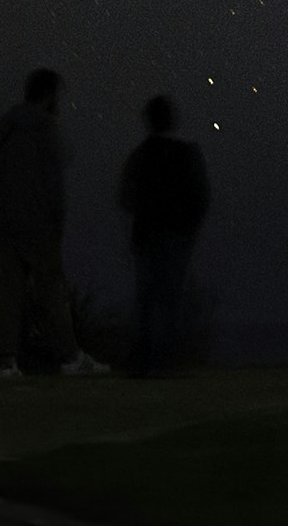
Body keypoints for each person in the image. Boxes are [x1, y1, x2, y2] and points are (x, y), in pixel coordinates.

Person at [0, 67, 84, 374]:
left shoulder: (4, 128)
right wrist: (58, 221)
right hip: (38, 222)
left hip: (6, 223)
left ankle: (6, 360)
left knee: (10, 292)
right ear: (49, 94)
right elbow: (53, 181)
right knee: (52, 290)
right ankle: (69, 357)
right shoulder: (45, 128)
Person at [117, 92, 212, 377]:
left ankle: (145, 360)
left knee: (147, 297)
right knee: (170, 296)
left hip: (147, 236)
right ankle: (168, 359)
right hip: (177, 236)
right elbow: (201, 196)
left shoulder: (140, 155)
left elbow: (125, 197)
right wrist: (188, 226)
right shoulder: (187, 154)